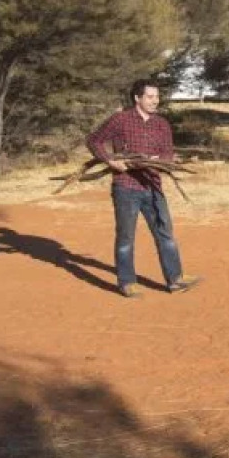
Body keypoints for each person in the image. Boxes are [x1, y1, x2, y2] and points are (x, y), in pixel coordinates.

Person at [86, 79, 197, 298]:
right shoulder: (120, 119)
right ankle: (127, 283)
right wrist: (110, 160)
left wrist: (160, 160)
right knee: (126, 237)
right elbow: (94, 141)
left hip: (153, 187)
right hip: (126, 187)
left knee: (165, 233)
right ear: (137, 98)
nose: (155, 101)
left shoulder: (162, 124)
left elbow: (168, 152)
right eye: (150, 97)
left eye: (157, 97)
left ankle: (175, 279)